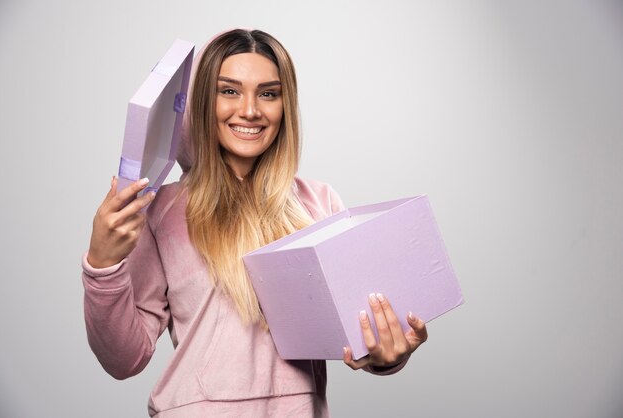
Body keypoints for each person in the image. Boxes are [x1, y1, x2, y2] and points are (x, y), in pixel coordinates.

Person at [82, 29, 428, 417]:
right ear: (200, 102)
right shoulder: (161, 210)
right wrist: (102, 265)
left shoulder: (320, 202)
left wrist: (386, 355)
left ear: (285, 105)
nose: (250, 110)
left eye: (268, 93)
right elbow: (124, 359)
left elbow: (359, 334)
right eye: (228, 91)